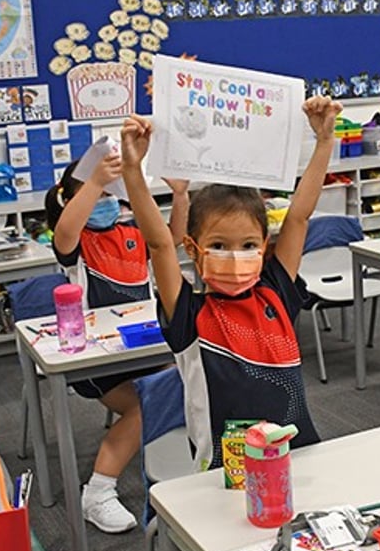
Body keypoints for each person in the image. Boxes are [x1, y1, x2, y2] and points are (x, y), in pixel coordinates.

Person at [118, 96, 339, 474]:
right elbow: (157, 242)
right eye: (219, 246)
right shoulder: (189, 313)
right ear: (193, 249)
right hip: (224, 469)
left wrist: (323, 143)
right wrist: (132, 170)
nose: (236, 256)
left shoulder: (276, 291)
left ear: (264, 246)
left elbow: (299, 217)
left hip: (297, 453)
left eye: (249, 245)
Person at [45, 154, 189, 533]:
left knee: (192, 383)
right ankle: (97, 492)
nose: (108, 201)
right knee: (147, 405)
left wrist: (181, 195)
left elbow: (171, 239)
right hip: (97, 362)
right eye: (99, 194)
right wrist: (93, 182)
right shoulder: (76, 243)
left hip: (143, 349)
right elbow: (63, 233)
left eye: (114, 194)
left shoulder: (130, 233)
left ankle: (182, 465)